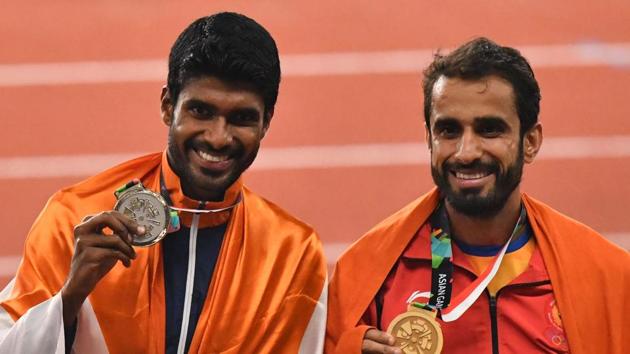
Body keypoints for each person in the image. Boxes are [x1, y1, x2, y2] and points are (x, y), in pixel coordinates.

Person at [0, 12, 327, 354]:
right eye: (200, 111)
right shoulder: (75, 218)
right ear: (168, 106)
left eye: (241, 118)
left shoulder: (292, 254)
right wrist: (68, 300)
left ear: (266, 123)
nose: (218, 137)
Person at [326, 38, 629, 354]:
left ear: (531, 141)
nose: (466, 152)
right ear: (429, 138)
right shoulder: (367, 272)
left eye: (489, 130)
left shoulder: (605, 276)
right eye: (448, 131)